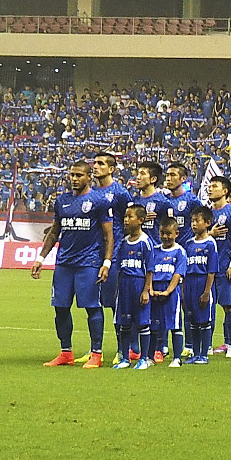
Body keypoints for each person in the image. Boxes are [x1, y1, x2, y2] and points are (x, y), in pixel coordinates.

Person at [32, 160, 114, 369]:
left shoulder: (99, 201)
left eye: (79, 175)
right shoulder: (62, 201)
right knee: (60, 307)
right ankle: (66, 352)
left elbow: (108, 235)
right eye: (72, 175)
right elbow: (54, 232)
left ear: (89, 177)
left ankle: (96, 353)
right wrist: (41, 258)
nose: (75, 179)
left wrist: (106, 262)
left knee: (91, 307)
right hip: (64, 264)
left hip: (89, 262)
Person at [92, 151, 133, 365]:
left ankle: (123, 349)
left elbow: (130, 222)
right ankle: (95, 350)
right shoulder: (90, 192)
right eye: (95, 163)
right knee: (93, 303)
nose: (95, 166)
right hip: (91, 255)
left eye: (100, 163)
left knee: (116, 305)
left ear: (111, 169)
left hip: (114, 254)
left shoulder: (120, 193)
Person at [204, 175, 231, 358]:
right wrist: (210, 233)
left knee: (229, 306)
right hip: (206, 268)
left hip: (224, 266)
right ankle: (207, 345)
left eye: (214, 186)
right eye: (209, 186)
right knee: (206, 306)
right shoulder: (206, 213)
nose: (210, 189)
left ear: (225, 191)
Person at [112, 205, 154, 370]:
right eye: (125, 217)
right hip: (125, 286)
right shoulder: (124, 242)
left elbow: (149, 268)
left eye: (130, 217)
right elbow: (120, 268)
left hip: (138, 284)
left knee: (143, 323)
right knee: (124, 323)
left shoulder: (145, 242)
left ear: (141, 220)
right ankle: (125, 358)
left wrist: (146, 290)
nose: (126, 220)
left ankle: (143, 358)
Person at [149, 216, 187, 367]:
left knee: (175, 324)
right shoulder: (154, 250)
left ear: (176, 233)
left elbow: (178, 274)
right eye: (162, 233)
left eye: (169, 233)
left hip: (171, 292)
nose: (165, 237)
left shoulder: (180, 252)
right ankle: (150, 356)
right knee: (153, 325)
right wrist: (150, 289)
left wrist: (167, 291)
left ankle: (177, 358)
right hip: (154, 291)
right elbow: (149, 271)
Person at [183, 206, 219, 364]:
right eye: (192, 221)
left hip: (202, 282)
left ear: (208, 223)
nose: (194, 224)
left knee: (203, 321)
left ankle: (204, 353)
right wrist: (183, 291)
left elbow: (212, 270)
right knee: (192, 321)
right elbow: (184, 268)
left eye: (198, 221)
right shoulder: (189, 243)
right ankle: (195, 353)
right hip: (189, 282)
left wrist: (206, 292)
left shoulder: (210, 244)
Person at [165, 162, 203, 249]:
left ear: (183, 178)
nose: (168, 179)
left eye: (172, 175)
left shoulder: (192, 200)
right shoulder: (163, 200)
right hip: (166, 250)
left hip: (187, 250)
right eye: (167, 175)